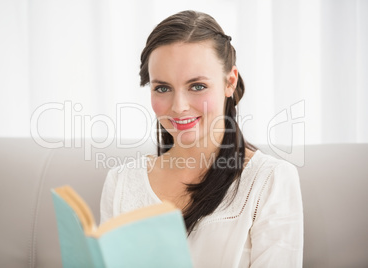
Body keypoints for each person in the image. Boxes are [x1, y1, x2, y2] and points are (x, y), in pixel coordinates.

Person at [100, 10, 303, 267]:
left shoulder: (270, 180)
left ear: (230, 82)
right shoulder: (121, 183)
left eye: (197, 86)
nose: (179, 106)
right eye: (162, 88)